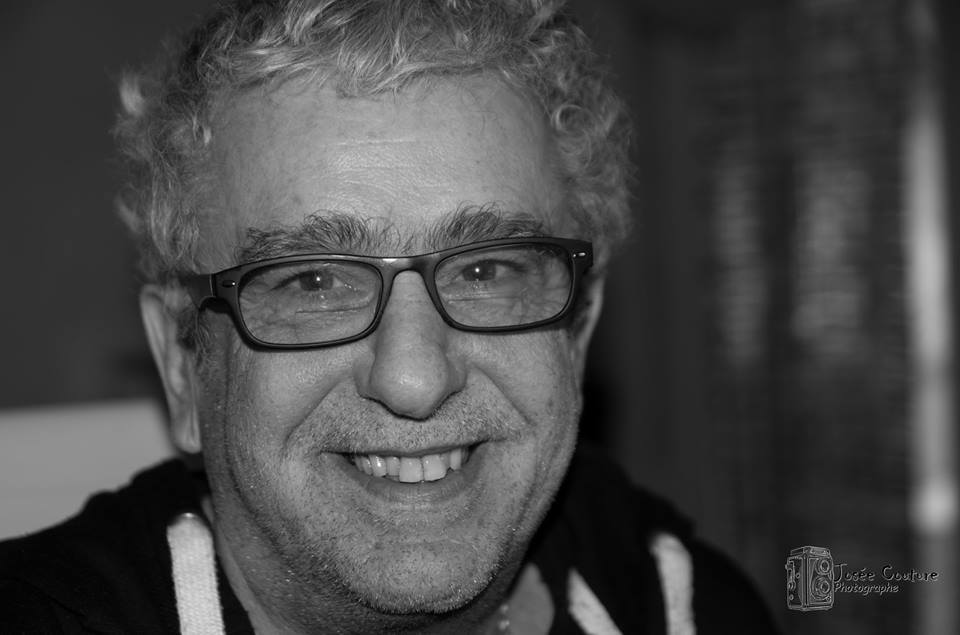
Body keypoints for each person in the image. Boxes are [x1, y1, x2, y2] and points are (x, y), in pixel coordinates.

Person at [0, 1, 777, 632]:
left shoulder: (694, 607)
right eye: (312, 282)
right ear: (181, 364)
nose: (413, 379)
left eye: (484, 270)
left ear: (577, 333)